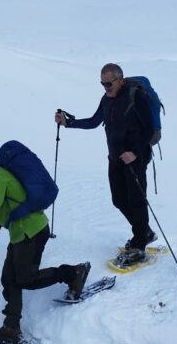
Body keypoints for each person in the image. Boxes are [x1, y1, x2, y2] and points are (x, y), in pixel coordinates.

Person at [0, 146, 90, 344]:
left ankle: (74, 273)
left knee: (25, 279)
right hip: (21, 232)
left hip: (31, 231)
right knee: (9, 278)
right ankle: (10, 329)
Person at [55, 63, 155, 263]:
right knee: (118, 199)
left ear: (120, 80)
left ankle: (139, 243)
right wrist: (69, 123)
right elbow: (94, 121)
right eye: (102, 84)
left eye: (109, 84)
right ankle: (144, 232)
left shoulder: (137, 96)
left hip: (135, 158)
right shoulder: (106, 99)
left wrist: (134, 152)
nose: (106, 88)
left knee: (137, 200)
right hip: (115, 157)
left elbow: (150, 129)